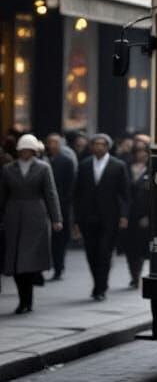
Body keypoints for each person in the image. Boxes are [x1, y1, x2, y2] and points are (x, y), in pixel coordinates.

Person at [1, 134, 62, 313]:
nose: (25, 153)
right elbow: (2, 195)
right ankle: (22, 300)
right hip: (14, 216)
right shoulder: (7, 169)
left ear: (34, 151)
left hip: (36, 215)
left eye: (29, 150)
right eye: (23, 150)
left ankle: (28, 300)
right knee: (15, 260)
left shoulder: (43, 168)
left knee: (29, 261)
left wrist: (56, 218)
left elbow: (51, 193)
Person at [73, 133, 129, 300]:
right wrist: (76, 220)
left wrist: (124, 215)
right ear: (91, 147)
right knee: (91, 253)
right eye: (95, 144)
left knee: (104, 253)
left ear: (107, 146)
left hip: (110, 217)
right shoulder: (84, 165)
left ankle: (101, 287)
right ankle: (97, 283)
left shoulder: (118, 166)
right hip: (88, 217)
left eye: (102, 144)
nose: (98, 147)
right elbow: (77, 194)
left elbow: (125, 194)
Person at [42, 132, 77, 281]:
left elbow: (71, 186)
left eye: (55, 142)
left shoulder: (67, 161)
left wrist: (63, 204)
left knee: (59, 240)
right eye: (49, 142)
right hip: (42, 206)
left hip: (61, 205)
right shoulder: (42, 160)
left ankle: (58, 267)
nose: (52, 145)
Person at [122, 141, 152, 288]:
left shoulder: (152, 169)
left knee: (141, 247)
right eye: (138, 151)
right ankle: (134, 276)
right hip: (129, 215)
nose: (141, 154)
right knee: (130, 248)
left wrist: (149, 216)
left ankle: (139, 274)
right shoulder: (126, 168)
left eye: (144, 151)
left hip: (144, 215)